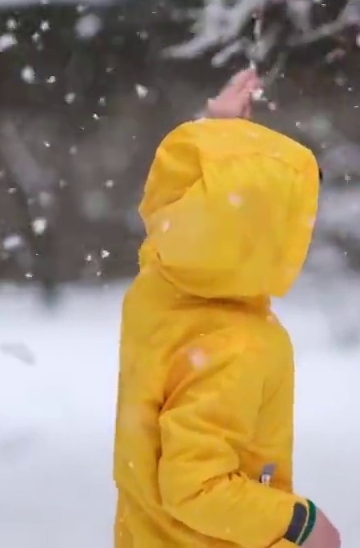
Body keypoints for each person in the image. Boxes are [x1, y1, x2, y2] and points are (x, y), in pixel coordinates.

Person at [113, 67, 343, 548]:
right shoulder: (236, 347)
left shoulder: (162, 295)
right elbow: (195, 488)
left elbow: (197, 222)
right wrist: (299, 523)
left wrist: (220, 140)